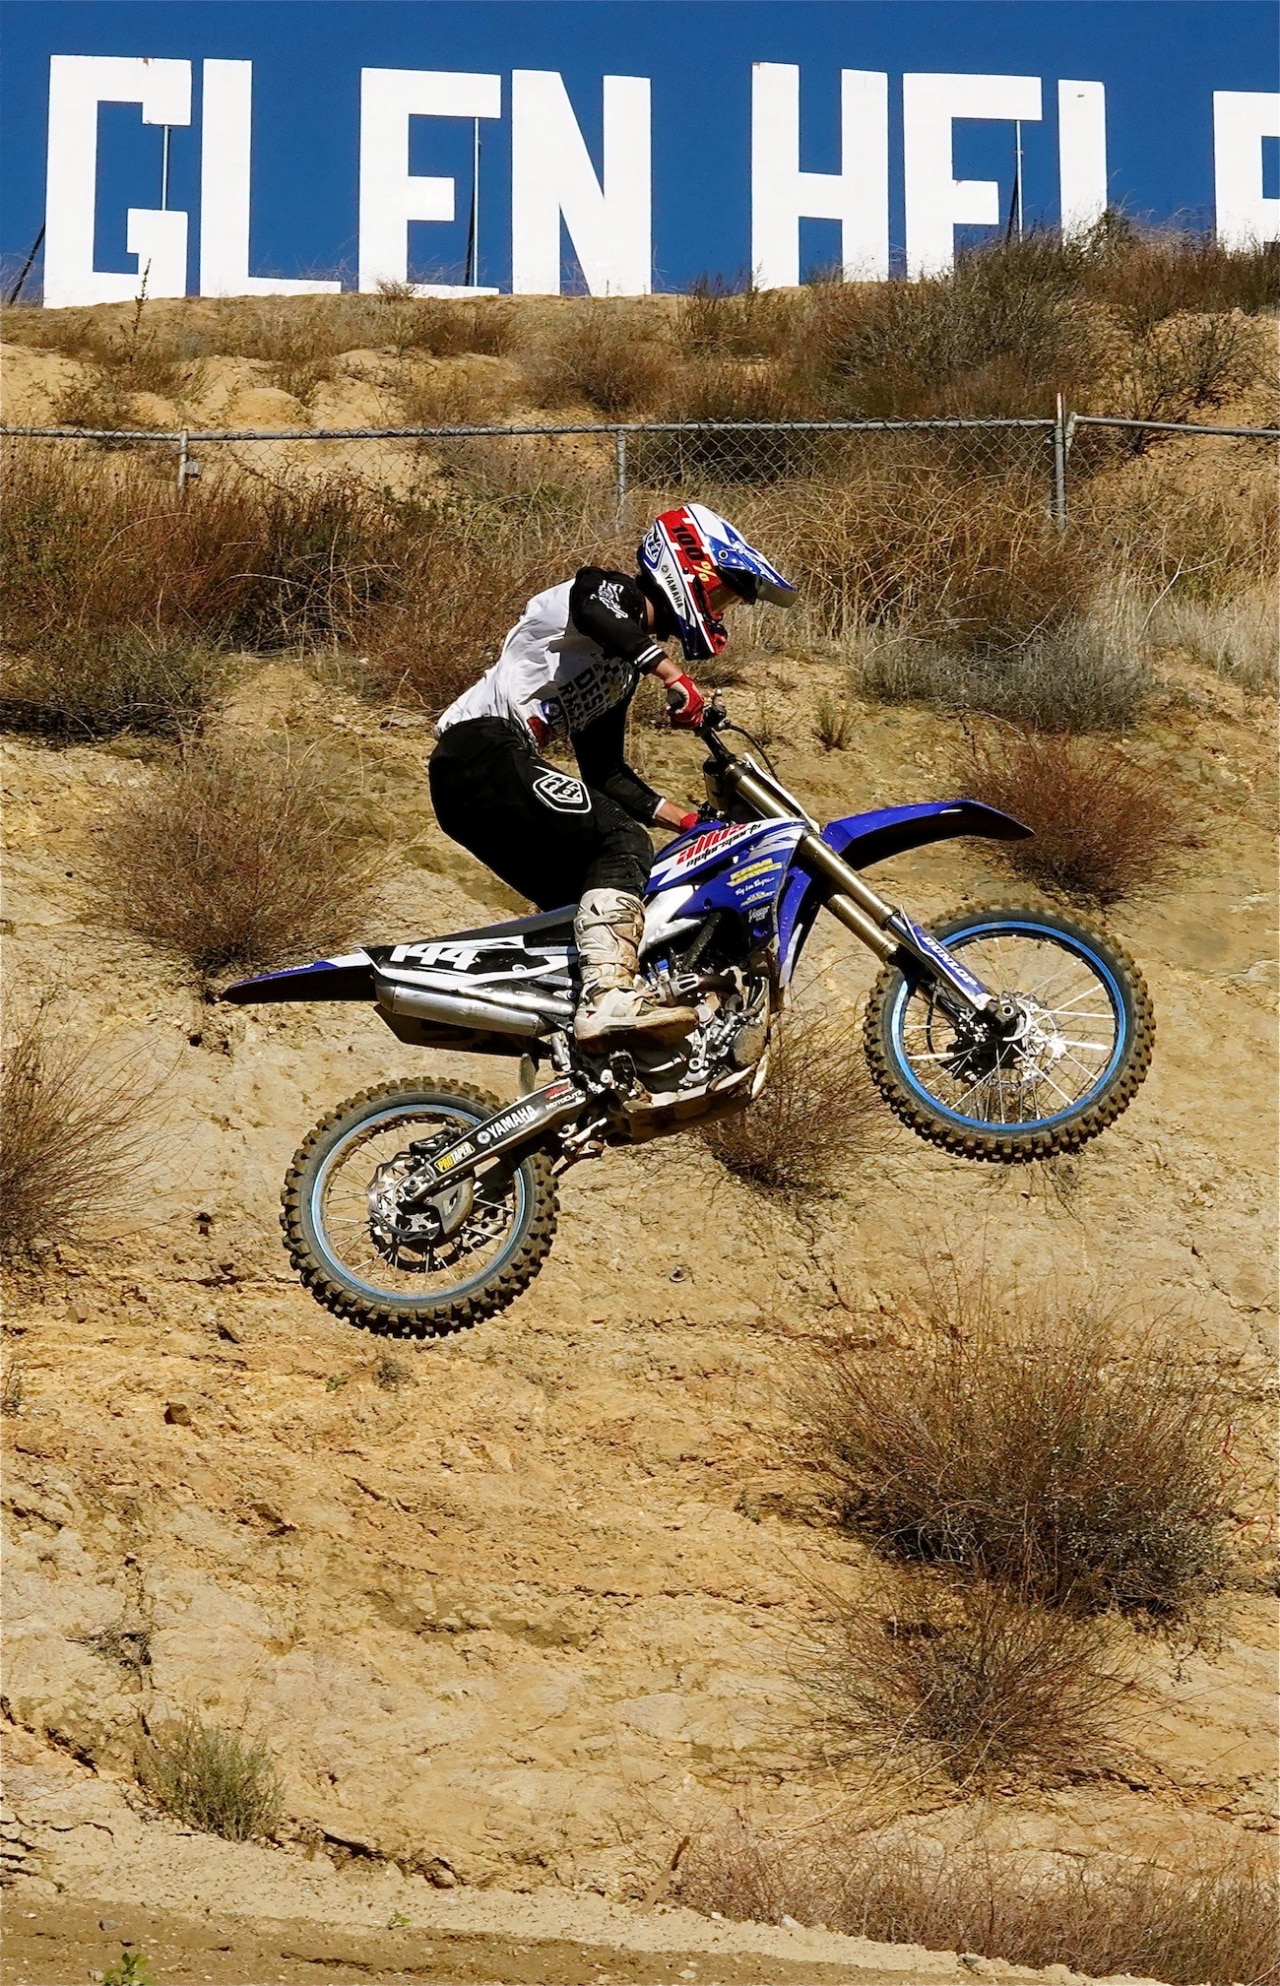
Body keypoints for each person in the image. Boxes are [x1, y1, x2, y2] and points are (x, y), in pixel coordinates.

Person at [429, 503, 796, 1046]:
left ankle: (575, 1039)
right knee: (623, 840)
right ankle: (607, 1000)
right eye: (721, 595)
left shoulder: (619, 672)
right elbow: (593, 609)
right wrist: (671, 673)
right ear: (687, 567)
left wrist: (690, 823)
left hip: (478, 784)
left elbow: (606, 774)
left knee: (592, 898)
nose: (720, 613)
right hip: (479, 750)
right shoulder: (608, 592)